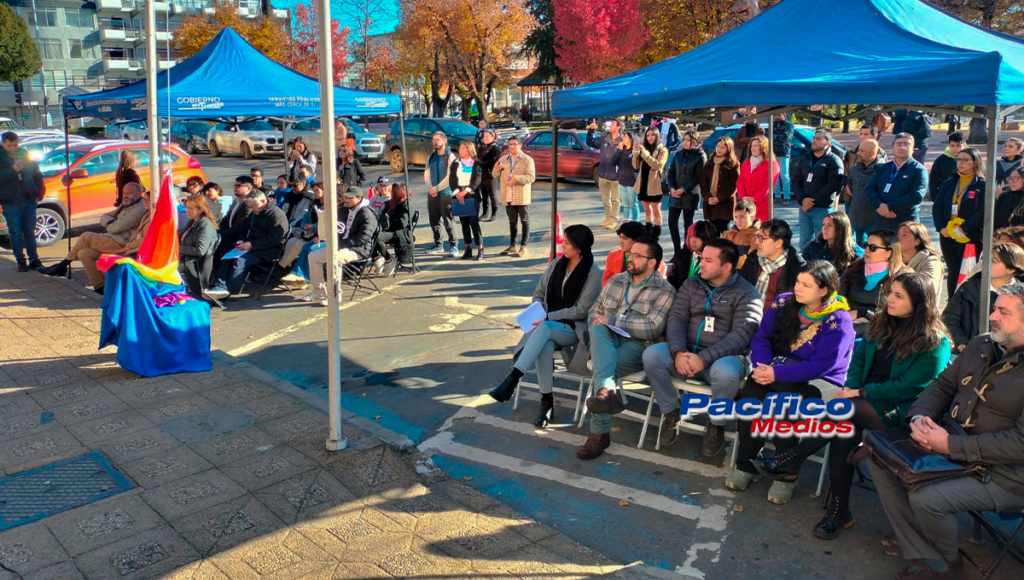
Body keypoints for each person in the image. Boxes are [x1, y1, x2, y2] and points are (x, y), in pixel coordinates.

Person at [758, 272, 950, 539]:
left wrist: (858, 392)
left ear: (919, 303)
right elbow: (857, 363)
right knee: (843, 429)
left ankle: (792, 458)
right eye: (890, 292)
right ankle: (838, 512)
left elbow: (909, 387)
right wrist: (850, 390)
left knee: (846, 413)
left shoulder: (934, 342)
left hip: (900, 412)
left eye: (898, 296)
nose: (889, 299)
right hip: (859, 403)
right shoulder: (880, 324)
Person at [868, 283, 1024, 580]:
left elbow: (1020, 444)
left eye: (1003, 312)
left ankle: (948, 565)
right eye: (994, 308)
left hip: (1007, 473)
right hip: (953, 444)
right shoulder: (981, 344)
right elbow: (942, 386)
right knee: (879, 457)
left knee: (927, 498)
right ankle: (928, 556)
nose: (992, 316)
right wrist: (918, 417)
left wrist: (949, 446)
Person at [725, 260, 856, 504]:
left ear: (824, 290)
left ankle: (785, 475)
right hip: (776, 368)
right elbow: (762, 337)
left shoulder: (839, 320)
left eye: (807, 285)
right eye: (798, 281)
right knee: (751, 397)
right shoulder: (784, 302)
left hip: (819, 381)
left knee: (787, 407)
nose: (798, 288)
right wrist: (764, 367)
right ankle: (746, 464)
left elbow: (822, 365)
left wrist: (776, 375)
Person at [643, 239, 762, 454]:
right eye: (701, 259)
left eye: (708, 260)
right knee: (652, 355)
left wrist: (703, 358)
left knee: (726, 372)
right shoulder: (691, 284)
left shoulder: (747, 293)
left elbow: (742, 336)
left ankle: (716, 424)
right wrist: (678, 352)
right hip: (686, 353)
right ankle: (671, 411)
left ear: (726, 267)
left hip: (722, 360)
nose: (702, 264)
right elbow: (676, 320)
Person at [489, 225, 602, 426]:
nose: (562, 244)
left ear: (579, 248)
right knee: (544, 345)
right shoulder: (557, 264)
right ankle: (546, 402)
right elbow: (538, 293)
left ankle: (513, 378)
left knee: (545, 328)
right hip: (546, 327)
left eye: (567, 242)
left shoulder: (593, 274)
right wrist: (538, 310)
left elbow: (581, 310)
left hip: (573, 329)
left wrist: (549, 315)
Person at [577, 238, 676, 460]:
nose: (629, 258)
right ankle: (605, 395)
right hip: (606, 339)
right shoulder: (617, 280)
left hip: (637, 345)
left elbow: (652, 328)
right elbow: (594, 310)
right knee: (600, 331)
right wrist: (600, 320)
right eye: (630, 254)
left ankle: (599, 431)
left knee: (603, 368)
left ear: (652, 262)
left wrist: (611, 320)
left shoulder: (665, 290)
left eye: (637, 256)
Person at [38, 181, 148, 282]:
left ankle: (62, 265)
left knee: (86, 236)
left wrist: (111, 223)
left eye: (129, 193)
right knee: (84, 253)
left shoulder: (139, 208)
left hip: (122, 243)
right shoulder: (126, 203)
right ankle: (99, 286)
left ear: (138, 194)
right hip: (111, 238)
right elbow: (104, 217)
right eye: (124, 192)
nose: (125, 195)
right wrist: (112, 222)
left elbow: (117, 227)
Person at [205, 191, 289, 300]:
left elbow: (275, 238)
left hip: (270, 249)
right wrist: (241, 240)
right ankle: (220, 287)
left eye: (254, 206)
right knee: (227, 257)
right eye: (250, 207)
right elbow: (244, 229)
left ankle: (228, 291)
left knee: (240, 261)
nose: (252, 210)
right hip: (251, 246)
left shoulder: (277, 214)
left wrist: (252, 245)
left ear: (263, 201)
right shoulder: (254, 213)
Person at [943, 242, 1024, 353]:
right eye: (985, 259)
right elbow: (949, 317)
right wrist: (962, 343)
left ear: (1011, 269)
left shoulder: (1020, 296)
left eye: (993, 261)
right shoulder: (969, 287)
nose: (985, 264)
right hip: (968, 353)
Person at [303, 186, 377, 306]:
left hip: (358, 249)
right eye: (345, 197)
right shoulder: (345, 210)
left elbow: (363, 238)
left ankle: (335, 294)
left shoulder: (367, 213)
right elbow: (337, 229)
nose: (346, 200)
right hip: (340, 246)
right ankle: (319, 291)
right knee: (313, 256)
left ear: (359, 198)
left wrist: (340, 244)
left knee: (335, 259)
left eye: (350, 198)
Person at [933, 146, 988, 301]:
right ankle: (952, 304)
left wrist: (965, 227)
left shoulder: (982, 185)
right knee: (953, 270)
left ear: (975, 162)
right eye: (959, 159)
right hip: (948, 235)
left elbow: (984, 211)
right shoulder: (950, 183)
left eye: (965, 160)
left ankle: (968, 305)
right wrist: (941, 227)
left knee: (969, 272)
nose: (960, 163)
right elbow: (937, 206)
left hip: (970, 236)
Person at [841, 229, 906, 337]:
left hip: (883, 328)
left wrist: (863, 313)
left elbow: (902, 312)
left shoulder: (902, 276)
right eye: (866, 245)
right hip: (848, 321)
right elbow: (837, 297)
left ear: (889, 253)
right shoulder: (853, 269)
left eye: (873, 248)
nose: (866, 250)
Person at [0, 131, 44, 272]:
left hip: (28, 198)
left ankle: (34, 260)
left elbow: (37, 174)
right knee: (15, 232)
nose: (13, 148)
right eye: (9, 145)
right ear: (3, 144)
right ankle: (20, 260)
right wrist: (13, 170)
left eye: (15, 145)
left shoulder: (24, 155)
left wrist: (39, 193)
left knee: (30, 231)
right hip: (10, 201)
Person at [792, 130, 844, 250]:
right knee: (804, 243)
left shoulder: (834, 161)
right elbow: (795, 181)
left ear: (828, 142)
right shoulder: (805, 158)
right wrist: (803, 199)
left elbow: (832, 185)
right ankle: (806, 266)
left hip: (822, 208)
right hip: (804, 207)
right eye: (814, 138)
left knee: (823, 241)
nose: (814, 141)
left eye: (819, 139)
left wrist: (812, 201)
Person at [865, 133, 928, 231]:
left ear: (912, 149)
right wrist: (880, 206)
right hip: (882, 220)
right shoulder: (883, 168)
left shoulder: (919, 170)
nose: (902, 147)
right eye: (898, 144)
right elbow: (870, 189)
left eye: (906, 144)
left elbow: (916, 196)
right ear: (892, 148)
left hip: (906, 223)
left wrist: (889, 207)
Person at [739, 218, 806, 309]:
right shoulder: (752, 260)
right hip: (748, 316)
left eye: (762, 238)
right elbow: (738, 291)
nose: (756, 242)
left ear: (778, 243)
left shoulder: (797, 269)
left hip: (780, 320)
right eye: (757, 237)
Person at [666, 131, 706, 257]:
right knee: (672, 223)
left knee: (687, 225)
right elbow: (671, 173)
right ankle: (677, 251)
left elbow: (697, 177)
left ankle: (686, 251)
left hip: (690, 195)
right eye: (684, 139)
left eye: (688, 140)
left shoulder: (700, 156)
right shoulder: (678, 155)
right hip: (675, 194)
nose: (685, 142)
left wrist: (684, 189)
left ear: (695, 141)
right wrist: (672, 188)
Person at [496, 136, 536, 258]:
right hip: (507, 195)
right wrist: (496, 169)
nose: (512, 146)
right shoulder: (503, 159)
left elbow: (531, 177)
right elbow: (495, 175)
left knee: (524, 220)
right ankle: (513, 245)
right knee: (512, 221)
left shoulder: (527, 160)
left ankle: (524, 246)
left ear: (520, 145)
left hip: (521, 195)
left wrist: (516, 179)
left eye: (514, 144)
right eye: (510, 144)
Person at [424, 131, 459, 257]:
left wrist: (436, 188)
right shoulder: (431, 157)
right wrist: (430, 188)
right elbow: (427, 174)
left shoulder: (450, 157)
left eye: (437, 140)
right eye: (433, 140)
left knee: (448, 220)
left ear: (444, 141)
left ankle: (454, 246)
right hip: (432, 194)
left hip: (446, 194)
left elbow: (450, 177)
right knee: (434, 221)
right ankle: (438, 244)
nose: (435, 142)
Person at [602, 221, 667, 287]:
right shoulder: (612, 255)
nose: (621, 242)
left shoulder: (651, 259)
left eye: (625, 238)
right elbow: (606, 281)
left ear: (637, 240)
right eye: (620, 237)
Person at [179, 194, 219, 299]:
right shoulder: (192, 222)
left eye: (191, 208)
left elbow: (200, 250)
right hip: (187, 258)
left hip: (197, 263)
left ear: (201, 210)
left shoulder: (205, 225)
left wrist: (177, 249)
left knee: (167, 270)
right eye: (186, 207)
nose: (187, 210)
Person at [587, 119, 625, 229]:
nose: (610, 125)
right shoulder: (604, 139)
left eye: (613, 124)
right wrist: (592, 130)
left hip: (616, 176)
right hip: (603, 174)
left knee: (615, 200)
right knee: (605, 200)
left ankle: (614, 220)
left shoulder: (623, 140)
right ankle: (608, 218)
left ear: (618, 127)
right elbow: (590, 142)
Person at [847, 139, 885, 247]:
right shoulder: (854, 169)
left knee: (874, 251)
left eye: (862, 151)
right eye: (858, 150)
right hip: (855, 219)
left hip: (874, 221)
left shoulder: (883, 170)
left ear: (872, 153)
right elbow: (851, 188)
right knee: (854, 251)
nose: (858, 153)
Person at [699, 136, 740, 235]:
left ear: (728, 149)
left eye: (722, 147)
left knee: (725, 231)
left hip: (725, 204)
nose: (719, 149)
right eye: (718, 146)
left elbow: (733, 185)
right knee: (713, 232)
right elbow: (703, 181)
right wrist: (708, 197)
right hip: (710, 203)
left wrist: (719, 198)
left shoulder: (733, 164)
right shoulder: (709, 163)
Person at [450, 141, 484, 260]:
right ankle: (467, 248)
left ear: (469, 150)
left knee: (473, 222)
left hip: (472, 195)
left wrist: (466, 191)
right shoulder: (455, 163)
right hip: (459, 195)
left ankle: (480, 247)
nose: (461, 150)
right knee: (464, 223)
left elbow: (477, 180)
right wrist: (457, 193)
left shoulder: (476, 163)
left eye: (464, 148)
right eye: (460, 148)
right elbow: (452, 180)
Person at [633, 128, 669, 241]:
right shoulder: (644, 148)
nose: (650, 137)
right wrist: (635, 153)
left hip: (654, 185)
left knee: (656, 212)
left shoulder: (662, 150)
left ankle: (656, 236)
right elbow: (636, 166)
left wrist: (646, 155)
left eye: (653, 135)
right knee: (647, 211)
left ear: (657, 136)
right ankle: (648, 234)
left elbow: (658, 165)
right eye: (648, 135)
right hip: (643, 183)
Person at [276, 176, 317, 270]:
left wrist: (289, 227)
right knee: (288, 241)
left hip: (302, 229)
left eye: (295, 185)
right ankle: (285, 267)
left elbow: (302, 216)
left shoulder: (308, 198)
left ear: (303, 184)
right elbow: (283, 211)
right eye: (290, 185)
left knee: (289, 240)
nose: (292, 188)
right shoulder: (289, 196)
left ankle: (281, 267)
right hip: (291, 226)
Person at [736, 136, 779, 223]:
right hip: (746, 205)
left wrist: (755, 199)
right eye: (752, 146)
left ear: (763, 147)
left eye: (756, 146)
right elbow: (740, 181)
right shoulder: (747, 163)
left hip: (762, 206)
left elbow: (768, 186)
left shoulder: (772, 164)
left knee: (761, 233)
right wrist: (743, 196)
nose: (753, 148)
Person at [214, 175, 256, 263]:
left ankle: (216, 270)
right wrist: (217, 231)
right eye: (234, 185)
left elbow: (239, 225)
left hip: (239, 237)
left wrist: (221, 235)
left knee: (215, 244)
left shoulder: (248, 204)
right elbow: (226, 219)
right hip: (229, 233)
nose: (235, 188)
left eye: (238, 186)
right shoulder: (236, 200)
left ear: (248, 188)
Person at [373, 182, 413, 272]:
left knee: (378, 238)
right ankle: (376, 258)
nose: (391, 193)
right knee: (370, 234)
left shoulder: (406, 205)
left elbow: (403, 223)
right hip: (390, 230)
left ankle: (389, 260)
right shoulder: (390, 203)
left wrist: (388, 221)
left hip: (400, 233)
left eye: (393, 192)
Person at [666, 221, 717, 290]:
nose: (693, 241)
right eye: (690, 236)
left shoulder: (716, 259)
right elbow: (672, 279)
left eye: (697, 237)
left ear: (708, 237)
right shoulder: (682, 255)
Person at [898, 222, 944, 298]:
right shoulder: (891, 257)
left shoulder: (931, 261)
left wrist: (903, 269)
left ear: (917, 241)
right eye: (898, 234)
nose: (899, 238)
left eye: (905, 235)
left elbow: (927, 290)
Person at [611, 132, 640, 223]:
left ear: (631, 139)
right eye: (623, 136)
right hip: (622, 181)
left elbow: (638, 164)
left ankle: (635, 221)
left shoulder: (634, 150)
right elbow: (613, 161)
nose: (623, 138)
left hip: (632, 181)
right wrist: (619, 151)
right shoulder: (621, 150)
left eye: (625, 137)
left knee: (633, 203)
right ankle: (626, 220)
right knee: (625, 204)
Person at [721, 200, 759, 266]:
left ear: (752, 218)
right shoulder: (727, 235)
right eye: (736, 217)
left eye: (742, 217)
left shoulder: (756, 237)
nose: (738, 220)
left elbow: (750, 260)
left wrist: (728, 261)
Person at [927, 132, 963, 202]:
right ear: (949, 145)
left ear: (964, 145)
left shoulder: (972, 158)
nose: (955, 148)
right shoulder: (941, 160)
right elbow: (933, 180)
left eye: (958, 145)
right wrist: (935, 198)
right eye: (952, 145)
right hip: (946, 195)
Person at [477, 129, 501, 222]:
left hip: (491, 174)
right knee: (484, 194)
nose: (485, 138)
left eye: (487, 136)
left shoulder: (495, 148)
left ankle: (494, 213)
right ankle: (485, 213)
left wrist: (482, 163)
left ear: (493, 137)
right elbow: (477, 157)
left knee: (492, 193)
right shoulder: (481, 147)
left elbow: (494, 160)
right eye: (484, 136)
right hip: (481, 173)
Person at [772, 113, 796, 204]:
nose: (777, 117)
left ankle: (787, 197)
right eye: (776, 115)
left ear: (784, 116)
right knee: (775, 175)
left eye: (779, 115)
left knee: (784, 176)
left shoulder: (789, 125)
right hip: (773, 153)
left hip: (784, 153)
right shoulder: (772, 125)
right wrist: (776, 138)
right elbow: (768, 137)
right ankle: (777, 195)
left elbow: (786, 137)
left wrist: (775, 138)